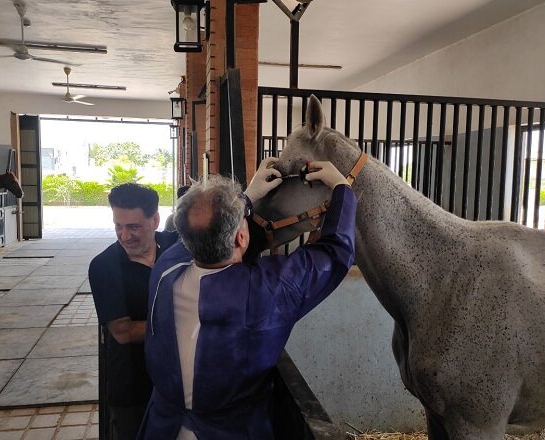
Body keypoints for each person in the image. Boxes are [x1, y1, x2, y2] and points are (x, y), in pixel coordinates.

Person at [138, 158, 357, 439]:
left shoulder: (164, 270)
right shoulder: (268, 290)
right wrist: (342, 187)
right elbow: (336, 252)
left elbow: (193, 237)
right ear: (242, 238)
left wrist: (248, 197)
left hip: (162, 428)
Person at [89, 183, 178, 440]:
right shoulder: (104, 267)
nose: (124, 235)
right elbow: (123, 332)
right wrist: (187, 323)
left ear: (155, 220)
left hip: (177, 382)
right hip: (132, 388)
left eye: (134, 227)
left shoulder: (175, 247)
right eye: (119, 226)